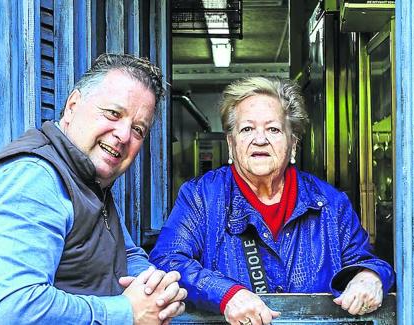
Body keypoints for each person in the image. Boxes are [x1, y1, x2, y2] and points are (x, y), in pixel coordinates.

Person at [0, 53, 187, 325]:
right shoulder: (33, 180)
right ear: (72, 105)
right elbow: (18, 310)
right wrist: (128, 312)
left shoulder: (87, 178)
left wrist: (155, 291)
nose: (123, 135)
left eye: (138, 129)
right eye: (113, 113)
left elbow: (126, 252)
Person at [149, 77, 395, 325]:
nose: (260, 139)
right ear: (231, 144)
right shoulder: (201, 196)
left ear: (293, 144)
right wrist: (226, 294)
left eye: (273, 129)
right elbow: (168, 261)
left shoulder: (330, 204)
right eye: (247, 129)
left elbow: (364, 261)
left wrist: (370, 275)